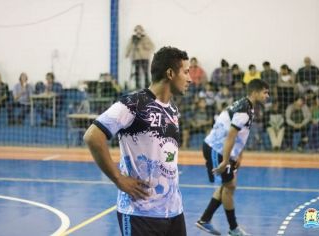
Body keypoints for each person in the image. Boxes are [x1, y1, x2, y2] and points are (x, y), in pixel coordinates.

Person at [84, 46, 191, 236]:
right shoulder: (134, 103)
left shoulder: (172, 109)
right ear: (170, 73)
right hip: (139, 213)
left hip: (173, 211)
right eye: (186, 72)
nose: (190, 78)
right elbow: (93, 136)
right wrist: (118, 179)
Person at [196, 79, 269, 236]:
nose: (267, 96)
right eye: (265, 92)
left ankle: (205, 220)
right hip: (217, 149)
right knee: (230, 186)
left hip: (220, 149)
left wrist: (238, 156)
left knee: (227, 185)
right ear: (255, 92)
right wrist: (225, 160)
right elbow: (230, 136)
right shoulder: (244, 110)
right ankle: (233, 228)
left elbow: (241, 135)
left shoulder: (247, 106)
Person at [125, 25, 155, 90]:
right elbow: (129, 46)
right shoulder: (133, 39)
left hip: (145, 58)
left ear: (142, 31)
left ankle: (147, 86)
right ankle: (137, 86)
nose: (138, 31)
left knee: (146, 72)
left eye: (140, 30)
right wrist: (127, 54)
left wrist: (144, 45)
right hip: (136, 58)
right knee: (137, 73)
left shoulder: (146, 38)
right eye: (137, 30)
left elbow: (152, 46)